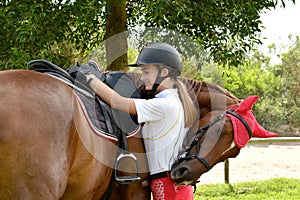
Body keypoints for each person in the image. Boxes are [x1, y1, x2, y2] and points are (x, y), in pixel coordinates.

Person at [85, 42, 198, 200]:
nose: (142, 78)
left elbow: (118, 102)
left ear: (164, 72)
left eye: (146, 72)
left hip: (166, 183)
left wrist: (90, 79)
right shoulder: (172, 101)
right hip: (167, 181)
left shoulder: (164, 105)